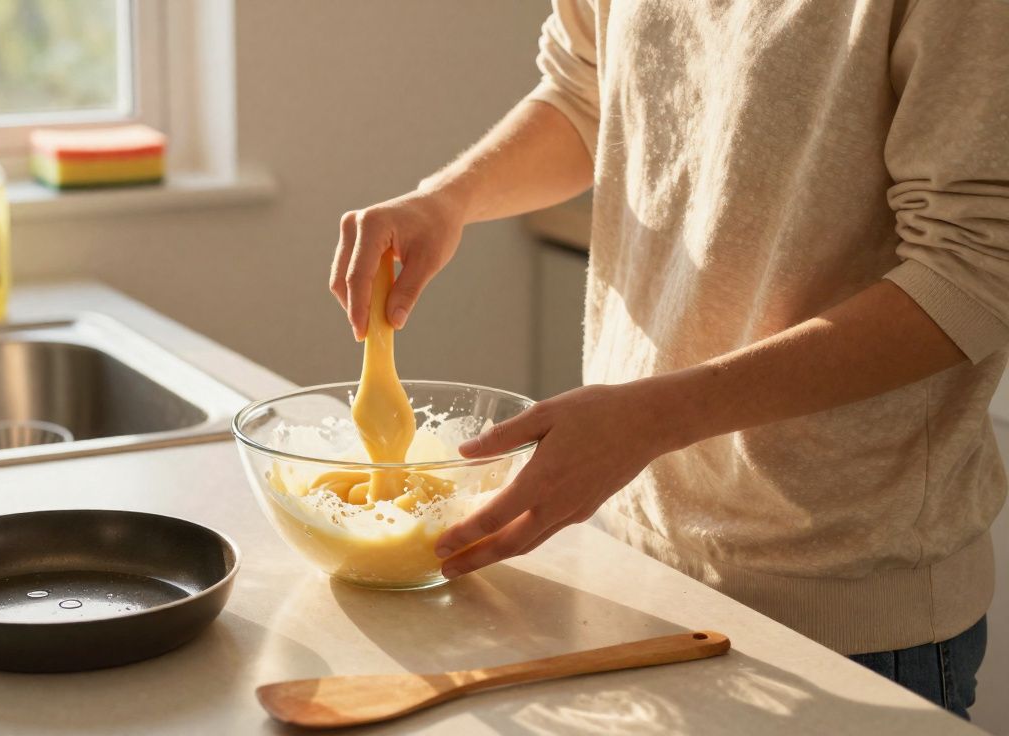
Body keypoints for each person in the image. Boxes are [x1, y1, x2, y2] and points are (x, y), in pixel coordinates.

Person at [327, 0, 1006, 719]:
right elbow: (589, 94)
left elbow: (976, 269)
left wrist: (656, 417)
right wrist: (449, 198)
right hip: (635, 558)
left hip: (844, 601)